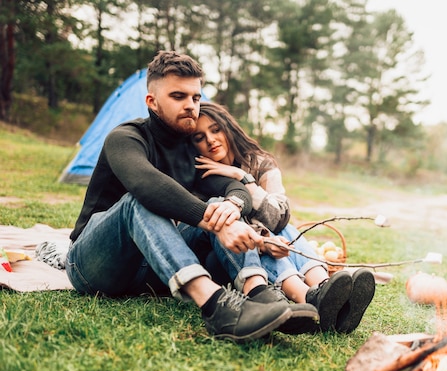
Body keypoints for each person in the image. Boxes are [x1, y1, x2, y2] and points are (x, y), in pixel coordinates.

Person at [65, 50, 317, 343]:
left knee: (218, 204)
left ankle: (261, 296)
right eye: (178, 96)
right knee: (138, 202)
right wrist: (215, 223)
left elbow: (232, 189)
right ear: (152, 101)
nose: (190, 105)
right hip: (95, 265)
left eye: (196, 98)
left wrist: (232, 206)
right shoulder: (125, 139)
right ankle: (217, 307)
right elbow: (147, 185)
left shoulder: (190, 151)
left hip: (152, 270)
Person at [191, 102, 376, 333]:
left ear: (228, 128)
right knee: (275, 232)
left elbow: (280, 214)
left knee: (283, 228)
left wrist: (243, 178)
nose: (210, 140)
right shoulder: (198, 177)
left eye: (215, 129)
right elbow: (220, 229)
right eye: (199, 137)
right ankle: (307, 297)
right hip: (226, 259)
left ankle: (323, 288)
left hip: (262, 242)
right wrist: (264, 242)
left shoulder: (259, 162)